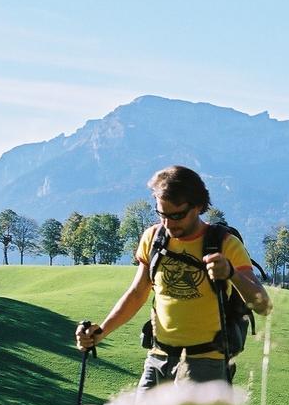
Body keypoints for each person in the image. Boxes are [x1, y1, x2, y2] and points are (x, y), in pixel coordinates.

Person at [75, 165, 271, 390]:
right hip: (158, 357)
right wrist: (100, 333)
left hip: (206, 362)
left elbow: (263, 305)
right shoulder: (153, 238)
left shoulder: (225, 243)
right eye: (162, 214)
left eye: (177, 215)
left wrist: (231, 274)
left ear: (198, 206)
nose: (169, 223)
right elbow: (137, 293)